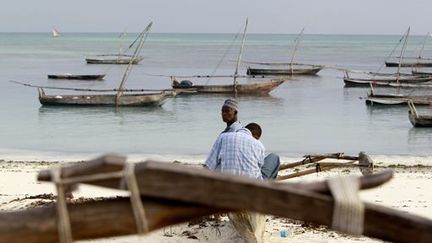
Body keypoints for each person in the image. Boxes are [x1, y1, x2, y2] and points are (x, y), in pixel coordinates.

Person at [205, 122, 279, 180]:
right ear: (255, 135)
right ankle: (267, 188)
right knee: (274, 157)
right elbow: (259, 168)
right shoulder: (259, 145)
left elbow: (208, 166)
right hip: (253, 186)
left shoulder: (223, 137)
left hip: (225, 184)